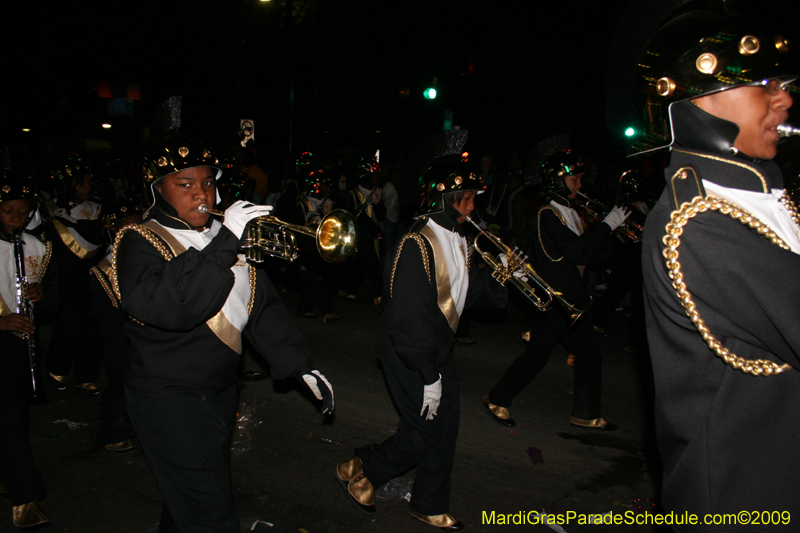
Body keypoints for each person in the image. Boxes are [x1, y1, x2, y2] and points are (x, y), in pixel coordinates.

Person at [112, 135, 334, 533]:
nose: (201, 194)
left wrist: (299, 366)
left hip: (218, 390)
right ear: (157, 189)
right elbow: (177, 306)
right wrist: (228, 240)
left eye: (208, 183)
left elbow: (260, 304)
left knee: (190, 499)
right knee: (211, 512)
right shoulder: (138, 241)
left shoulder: (223, 233)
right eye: (185, 184)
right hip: (167, 396)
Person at [634, 9, 800, 525]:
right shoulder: (699, 220)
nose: (785, 100)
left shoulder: (756, 193)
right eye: (764, 85)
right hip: (742, 494)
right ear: (698, 102)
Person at [335, 132, 507, 531]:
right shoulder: (417, 243)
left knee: (446, 428)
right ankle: (368, 468)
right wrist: (429, 376)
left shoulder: (459, 239)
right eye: (465, 197)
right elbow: (408, 322)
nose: (472, 205)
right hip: (409, 354)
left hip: (436, 351)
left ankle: (428, 503)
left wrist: (502, 274)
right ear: (444, 198)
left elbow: (473, 296)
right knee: (424, 430)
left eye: (472, 197)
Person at [482, 149, 629, 429]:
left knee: (578, 354)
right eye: (575, 179)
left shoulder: (572, 211)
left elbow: (591, 256)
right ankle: (499, 397)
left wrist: (610, 233)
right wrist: (607, 226)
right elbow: (574, 251)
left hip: (572, 297)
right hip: (558, 299)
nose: (580, 184)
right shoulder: (547, 213)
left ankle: (582, 412)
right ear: (559, 180)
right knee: (545, 355)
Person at [0, 172, 58, 532]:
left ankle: (8, 471)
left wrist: (40, 296)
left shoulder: (37, 246)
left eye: (23, 213)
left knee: (15, 416)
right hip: (2, 334)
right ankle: (25, 496)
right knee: (7, 418)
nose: (17, 220)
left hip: (19, 343)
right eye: (8, 212)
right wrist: (3, 323)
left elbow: (55, 304)